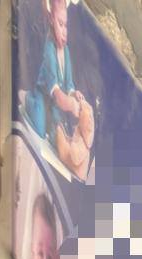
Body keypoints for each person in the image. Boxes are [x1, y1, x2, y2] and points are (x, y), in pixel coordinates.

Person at [23, 0, 95, 179]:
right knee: (39, 127)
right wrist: (70, 104)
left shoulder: (66, 52)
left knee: (58, 138)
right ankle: (28, 99)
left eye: (66, 25)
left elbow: (68, 84)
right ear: (51, 21)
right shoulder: (49, 50)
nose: (64, 31)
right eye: (60, 24)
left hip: (55, 108)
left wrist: (74, 94)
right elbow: (57, 95)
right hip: (44, 97)